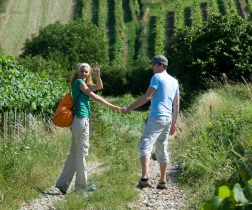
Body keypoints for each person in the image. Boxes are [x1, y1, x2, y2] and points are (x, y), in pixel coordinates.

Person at [56, 63, 121, 194]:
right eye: (82, 71)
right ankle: (81, 186)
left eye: (86, 72)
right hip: (80, 121)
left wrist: (97, 75)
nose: (84, 74)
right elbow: (95, 96)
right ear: (77, 72)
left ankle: (63, 184)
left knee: (74, 154)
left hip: (78, 122)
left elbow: (99, 87)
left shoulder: (82, 83)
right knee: (82, 154)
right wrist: (112, 106)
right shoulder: (79, 82)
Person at [122, 55, 179, 190]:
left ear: (160, 65)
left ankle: (144, 178)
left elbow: (147, 97)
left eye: (153, 65)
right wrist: (174, 123)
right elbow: (176, 105)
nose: (152, 67)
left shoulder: (157, 78)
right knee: (162, 147)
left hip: (156, 116)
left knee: (145, 145)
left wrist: (129, 108)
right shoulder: (174, 81)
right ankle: (162, 181)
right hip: (167, 118)